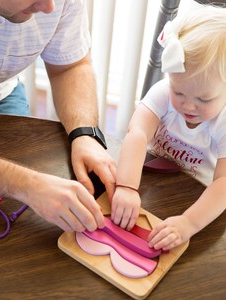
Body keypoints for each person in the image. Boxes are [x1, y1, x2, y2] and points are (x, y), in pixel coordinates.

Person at [0, 1, 117, 232]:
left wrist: (85, 134)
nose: (49, 7)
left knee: (14, 217)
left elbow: (69, 67)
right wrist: (29, 186)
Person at [111, 2, 226, 251]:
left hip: (196, 199)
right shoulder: (163, 92)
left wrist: (188, 222)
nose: (189, 106)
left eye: (204, 99)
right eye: (179, 91)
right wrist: (127, 186)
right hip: (147, 179)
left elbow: (223, 183)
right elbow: (137, 134)